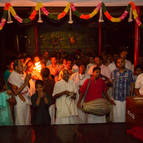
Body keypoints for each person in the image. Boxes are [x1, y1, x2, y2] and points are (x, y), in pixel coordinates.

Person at [8, 59, 31, 125]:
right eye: (21, 65)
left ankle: (27, 134)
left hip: (26, 98)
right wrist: (26, 82)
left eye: (23, 65)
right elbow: (15, 92)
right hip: (19, 100)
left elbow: (27, 85)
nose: (23, 67)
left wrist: (27, 79)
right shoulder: (12, 76)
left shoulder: (23, 73)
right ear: (16, 67)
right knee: (21, 120)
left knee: (27, 120)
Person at [111, 58, 134, 122]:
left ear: (124, 63)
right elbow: (113, 85)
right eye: (118, 62)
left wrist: (131, 96)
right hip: (116, 97)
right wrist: (111, 97)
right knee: (116, 116)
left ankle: (123, 130)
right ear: (116, 64)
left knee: (124, 116)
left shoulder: (129, 72)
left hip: (126, 97)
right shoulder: (113, 72)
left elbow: (132, 84)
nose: (120, 63)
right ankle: (116, 130)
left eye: (122, 62)